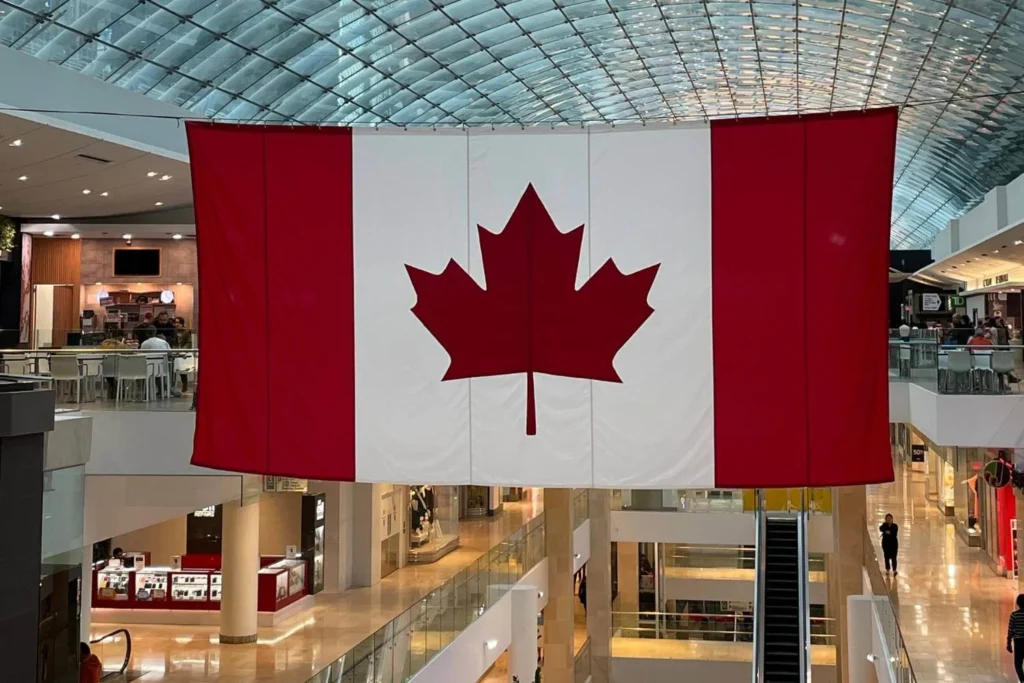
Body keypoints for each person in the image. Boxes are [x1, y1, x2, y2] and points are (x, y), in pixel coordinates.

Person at [173, 316, 192, 394]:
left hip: (182, 352)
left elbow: (189, 342)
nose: (176, 324)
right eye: (175, 322)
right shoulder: (173, 331)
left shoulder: (186, 332)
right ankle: (172, 385)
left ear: (181, 323)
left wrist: (183, 349)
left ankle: (184, 383)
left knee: (182, 369)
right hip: (174, 351)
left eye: (178, 322)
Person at [1008, 594, 1024, 681]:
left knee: (1018, 664)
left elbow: (1010, 630)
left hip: (1018, 642)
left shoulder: (1014, 615)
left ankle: (1022, 679)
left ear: (1017, 603)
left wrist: (1008, 644)